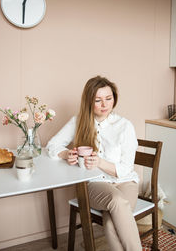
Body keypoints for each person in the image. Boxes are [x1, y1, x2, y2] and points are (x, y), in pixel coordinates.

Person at [46, 76, 142, 251]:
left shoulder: (124, 126)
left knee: (111, 222)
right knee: (117, 202)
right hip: (96, 183)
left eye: (109, 98)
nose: (104, 104)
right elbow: (52, 145)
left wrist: (100, 162)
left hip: (126, 182)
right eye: (98, 100)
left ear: (114, 98)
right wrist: (67, 153)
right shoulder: (79, 121)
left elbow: (126, 168)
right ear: (89, 101)